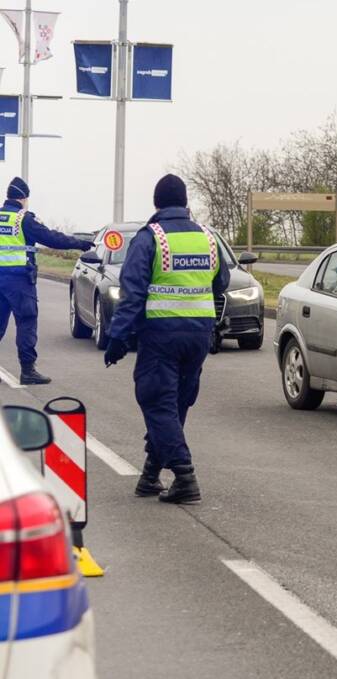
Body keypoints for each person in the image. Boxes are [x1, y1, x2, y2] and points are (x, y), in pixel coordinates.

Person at [103, 175, 230, 502]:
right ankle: (149, 476)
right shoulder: (208, 238)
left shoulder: (150, 239)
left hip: (161, 335)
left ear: (157, 204)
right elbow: (221, 283)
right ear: (185, 203)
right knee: (175, 404)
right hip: (199, 335)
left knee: (158, 402)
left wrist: (117, 339)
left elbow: (132, 295)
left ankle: (185, 476)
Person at [0, 177, 94, 384]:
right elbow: (52, 238)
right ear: (24, 198)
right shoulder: (23, 219)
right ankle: (27, 371)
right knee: (26, 322)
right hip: (19, 281)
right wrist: (82, 244)